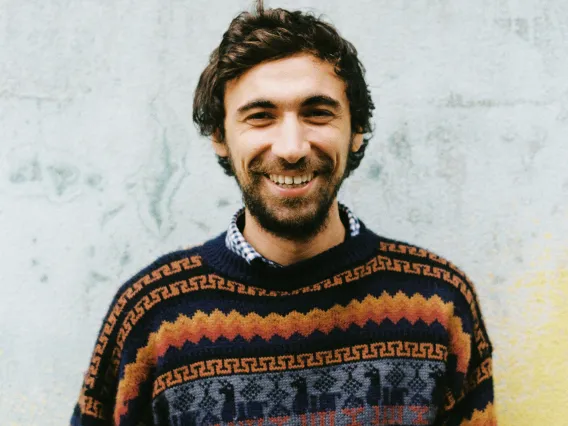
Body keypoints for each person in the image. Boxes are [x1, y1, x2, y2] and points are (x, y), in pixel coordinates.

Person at [71, 1, 495, 425]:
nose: (291, 147)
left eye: (317, 113)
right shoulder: (152, 315)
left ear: (357, 131)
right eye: (261, 116)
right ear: (220, 135)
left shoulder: (439, 305)